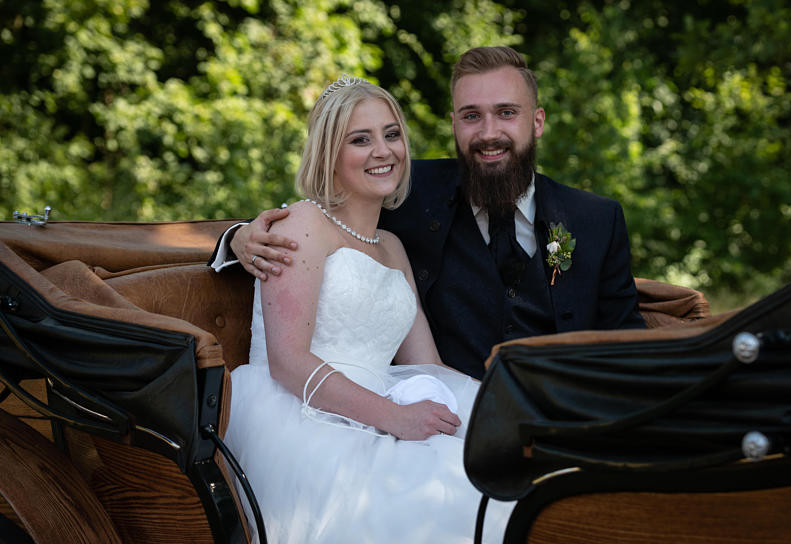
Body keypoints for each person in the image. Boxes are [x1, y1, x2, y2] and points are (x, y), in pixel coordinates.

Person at [211, 46, 645, 379]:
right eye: (472, 116)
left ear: (537, 121)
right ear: (453, 123)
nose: (489, 133)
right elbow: (318, 218)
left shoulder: (596, 220)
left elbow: (628, 344)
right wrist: (238, 237)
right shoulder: (403, 187)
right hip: (452, 414)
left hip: (564, 424)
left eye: (507, 114)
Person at [223, 76, 512, 543]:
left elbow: (427, 365)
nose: (384, 151)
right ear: (329, 154)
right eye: (361, 139)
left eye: (391, 134)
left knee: (503, 475)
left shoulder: (393, 247)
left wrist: (503, 408)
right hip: (302, 413)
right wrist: (392, 417)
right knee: (444, 501)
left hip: (380, 407)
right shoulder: (302, 223)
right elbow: (288, 361)